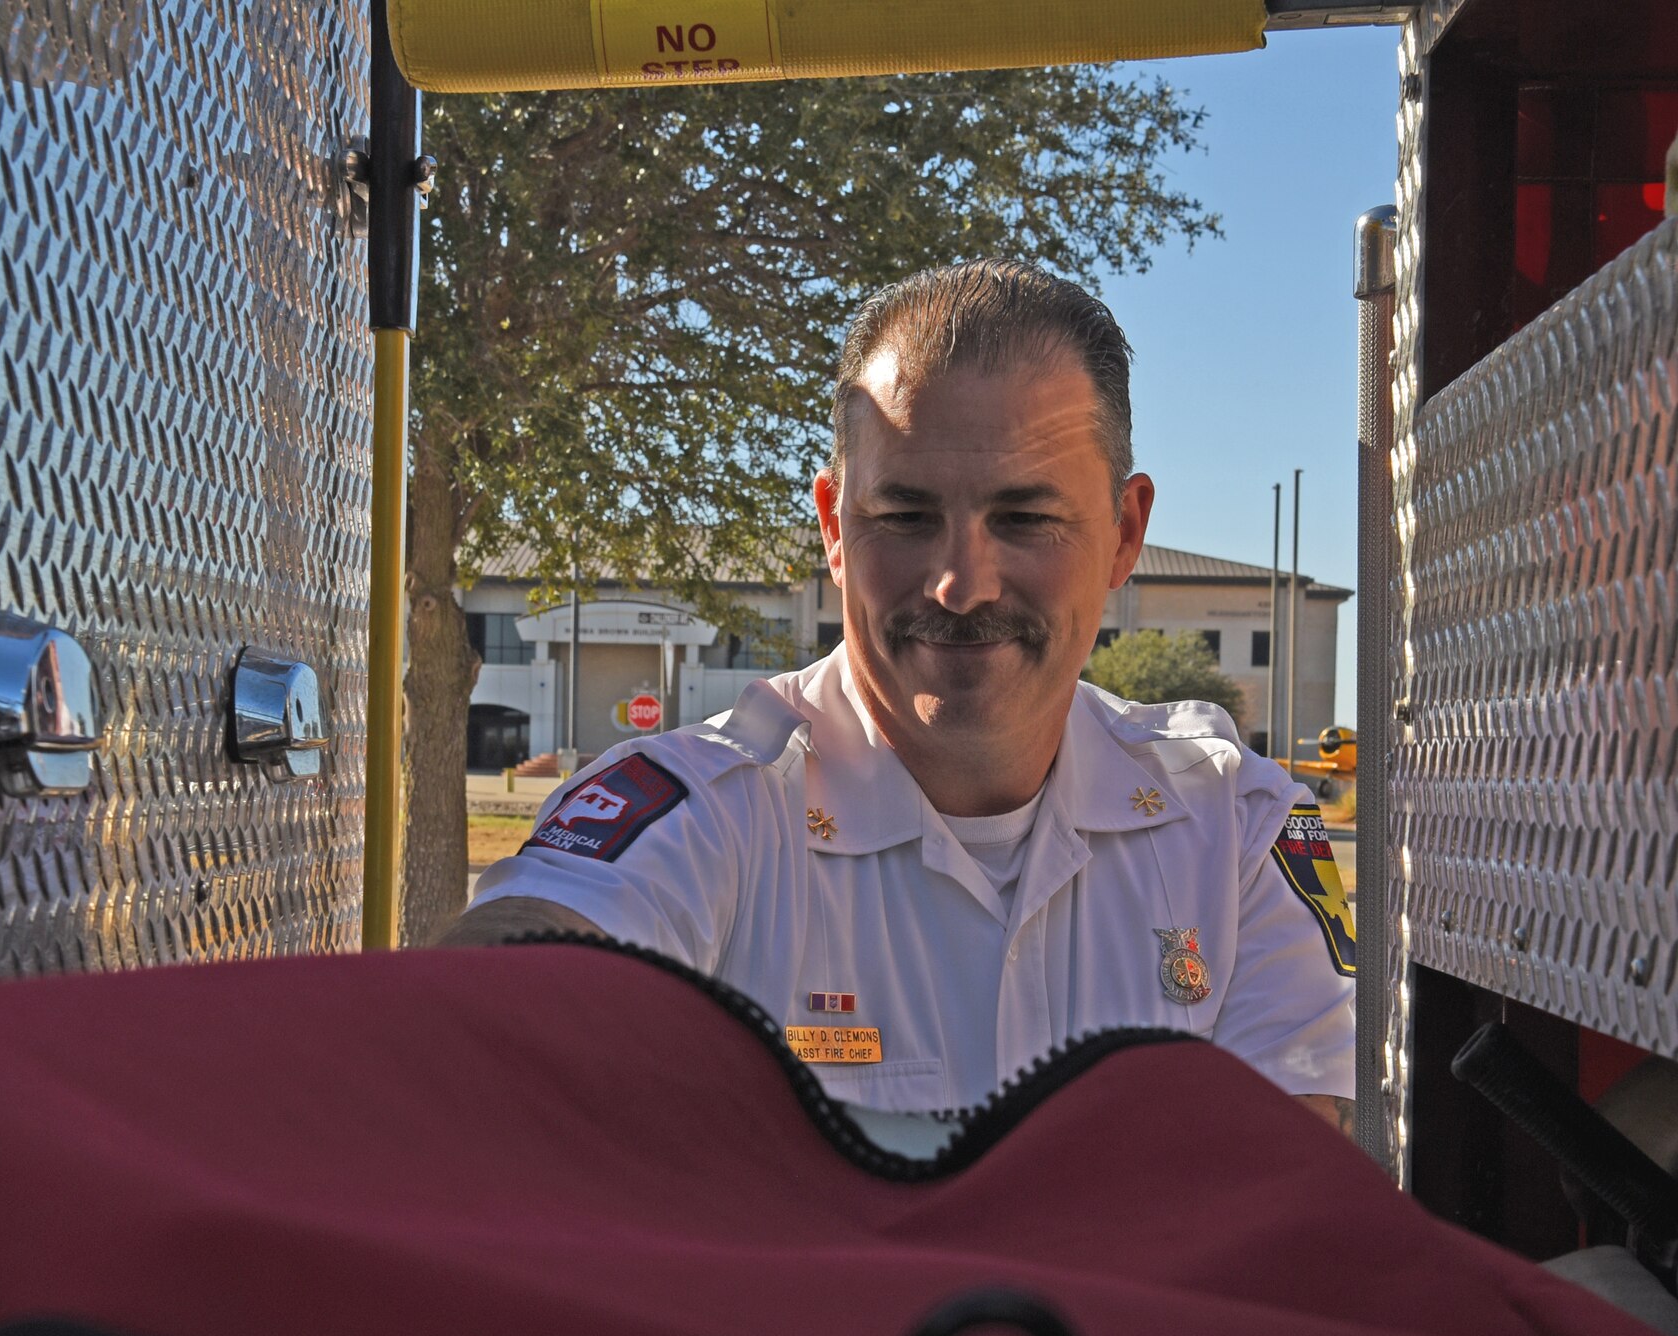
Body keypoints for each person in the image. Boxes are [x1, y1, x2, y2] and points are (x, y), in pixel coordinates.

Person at [443, 259, 1357, 1136]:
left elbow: (1275, 1211)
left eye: (1025, 518)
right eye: (906, 517)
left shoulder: (1235, 828)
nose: (963, 584)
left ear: (1124, 535)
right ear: (835, 528)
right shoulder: (713, 812)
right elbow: (503, 983)